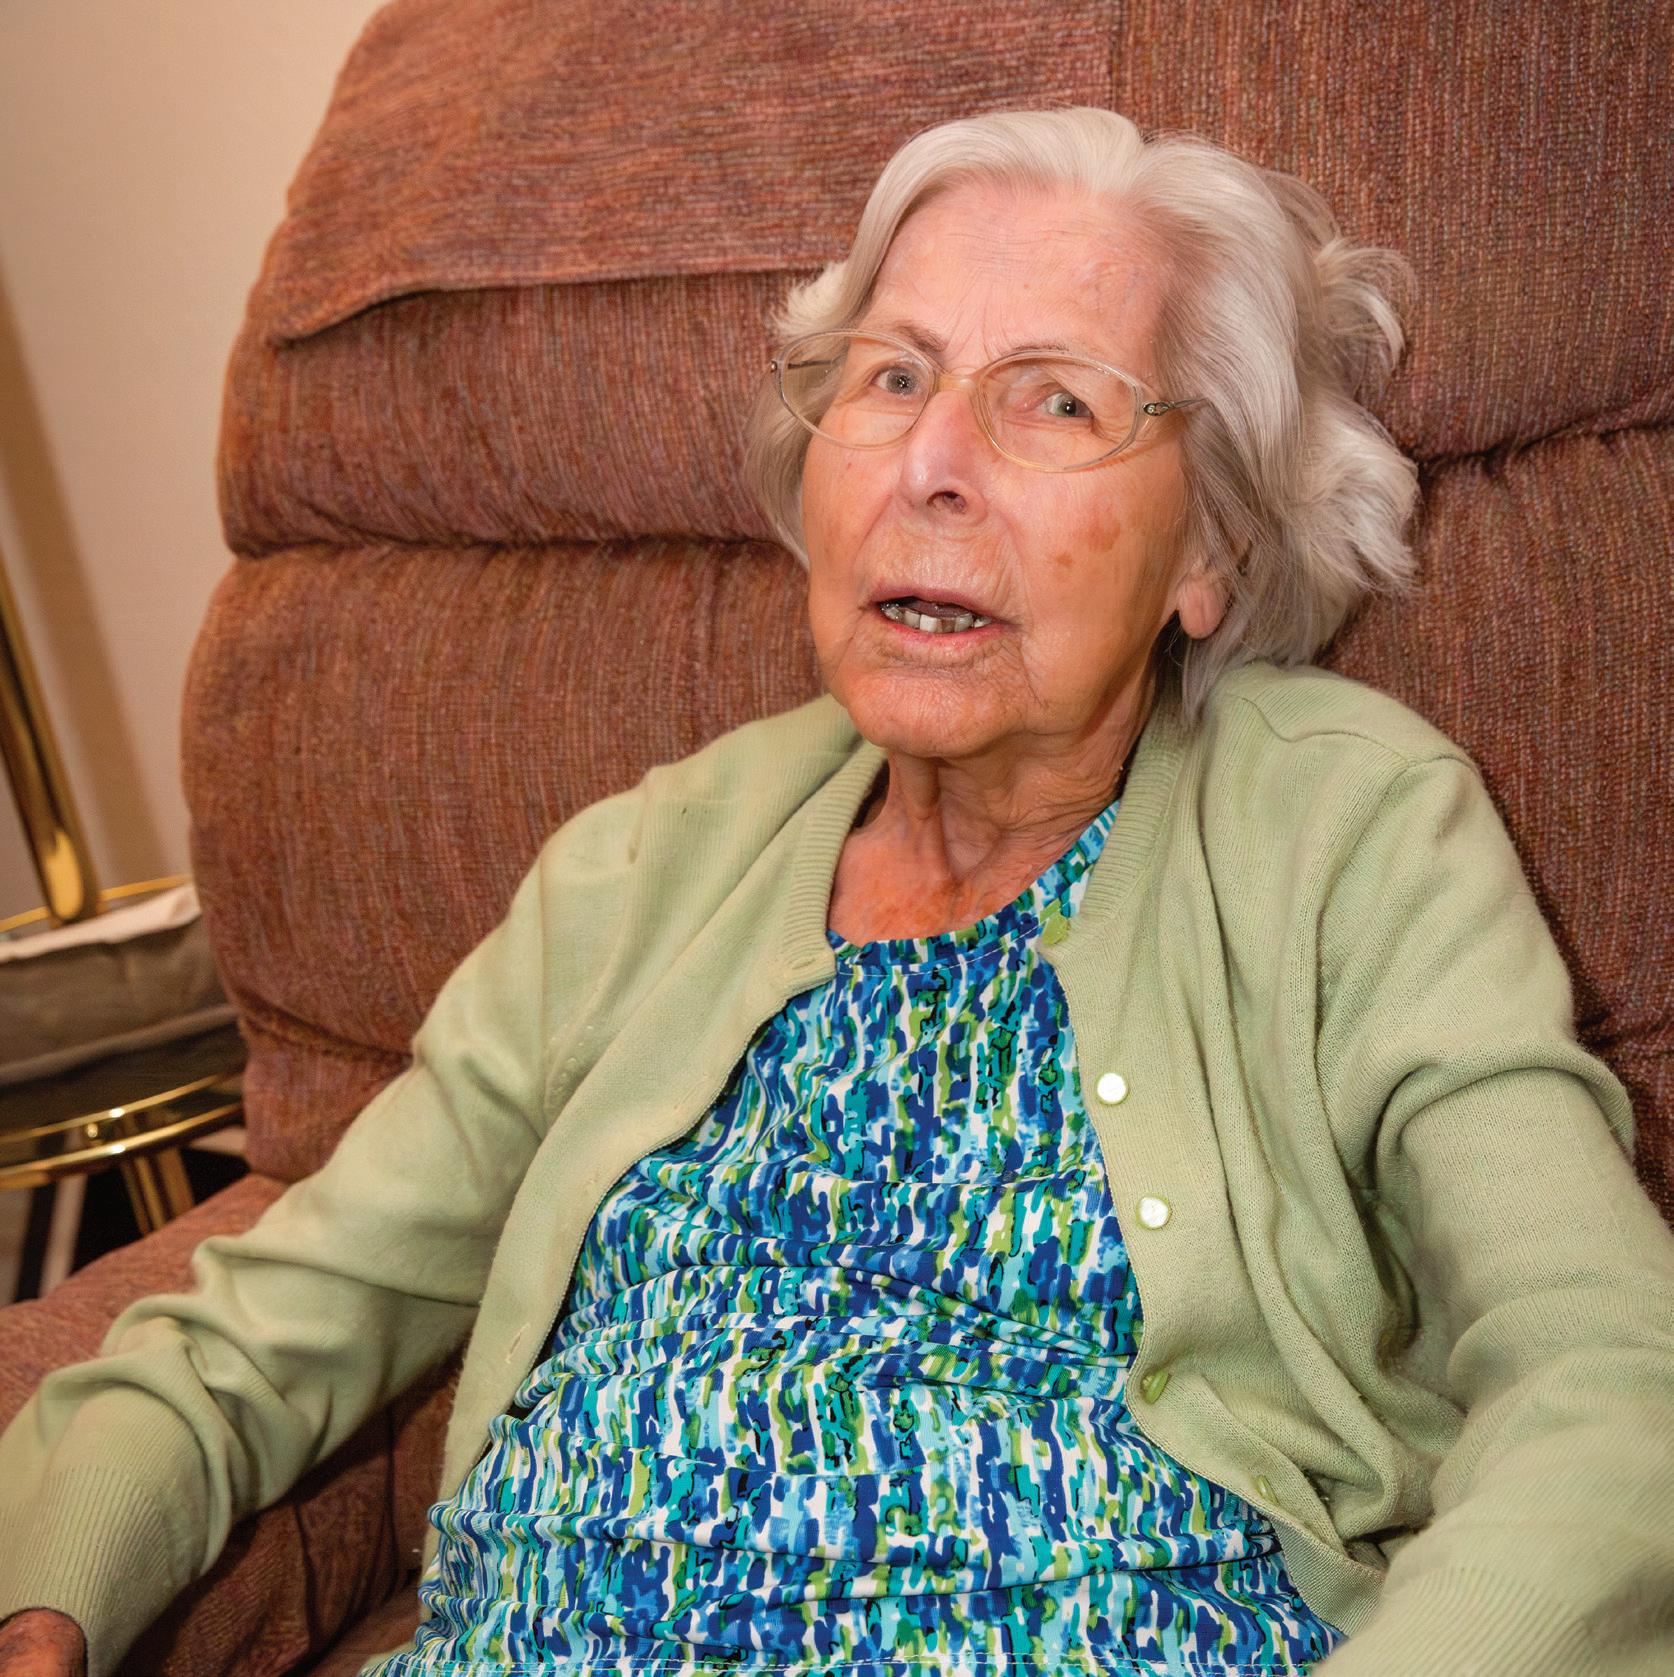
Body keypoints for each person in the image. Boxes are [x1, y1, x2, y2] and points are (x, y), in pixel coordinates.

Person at [3, 106, 1672, 1677]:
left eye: (1055, 400)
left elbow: (1605, 1377)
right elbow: (275, 1323)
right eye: (890, 376)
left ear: (1207, 545)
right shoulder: (644, 864)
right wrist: (46, 1591)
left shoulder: (1346, 827)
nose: (928, 462)